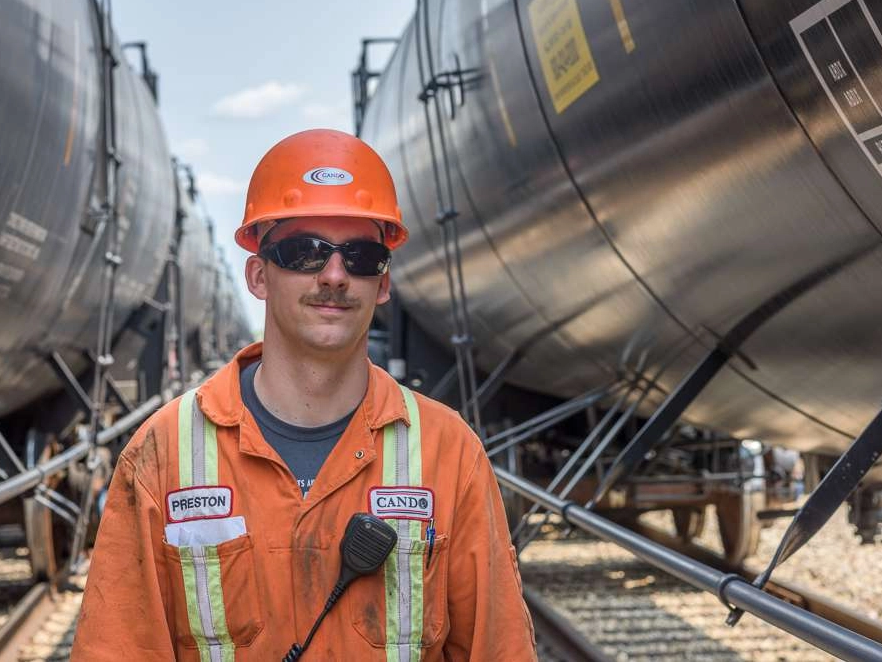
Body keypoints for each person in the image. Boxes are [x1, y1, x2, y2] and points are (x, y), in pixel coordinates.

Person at [71, 129, 537, 661]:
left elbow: (498, 649)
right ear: (259, 275)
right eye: (305, 252)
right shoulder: (164, 454)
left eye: (361, 256)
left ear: (382, 284)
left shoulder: (447, 451)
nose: (335, 275)